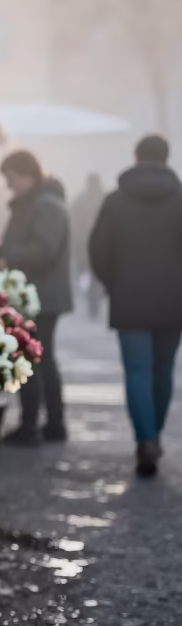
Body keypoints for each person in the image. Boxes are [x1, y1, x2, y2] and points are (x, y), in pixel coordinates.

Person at [88, 135, 182, 476]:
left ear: (136, 156)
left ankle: (146, 439)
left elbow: (98, 248)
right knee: (163, 370)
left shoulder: (115, 201)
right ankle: (153, 432)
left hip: (130, 299)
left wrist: (115, 282)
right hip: (175, 301)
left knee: (138, 371)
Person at [0, 150, 72, 445]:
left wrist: (7, 256)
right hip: (36, 293)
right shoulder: (37, 203)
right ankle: (50, 424)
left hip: (41, 296)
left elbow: (43, 250)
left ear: (26, 174)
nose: (9, 185)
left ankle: (36, 426)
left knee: (35, 360)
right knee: (41, 359)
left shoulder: (46, 205)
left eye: (11, 178)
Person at [70, 173, 106, 319]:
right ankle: (94, 304)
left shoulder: (81, 200)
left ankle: (92, 303)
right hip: (100, 245)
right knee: (95, 277)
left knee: (88, 274)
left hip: (84, 245)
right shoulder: (104, 199)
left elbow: (72, 222)